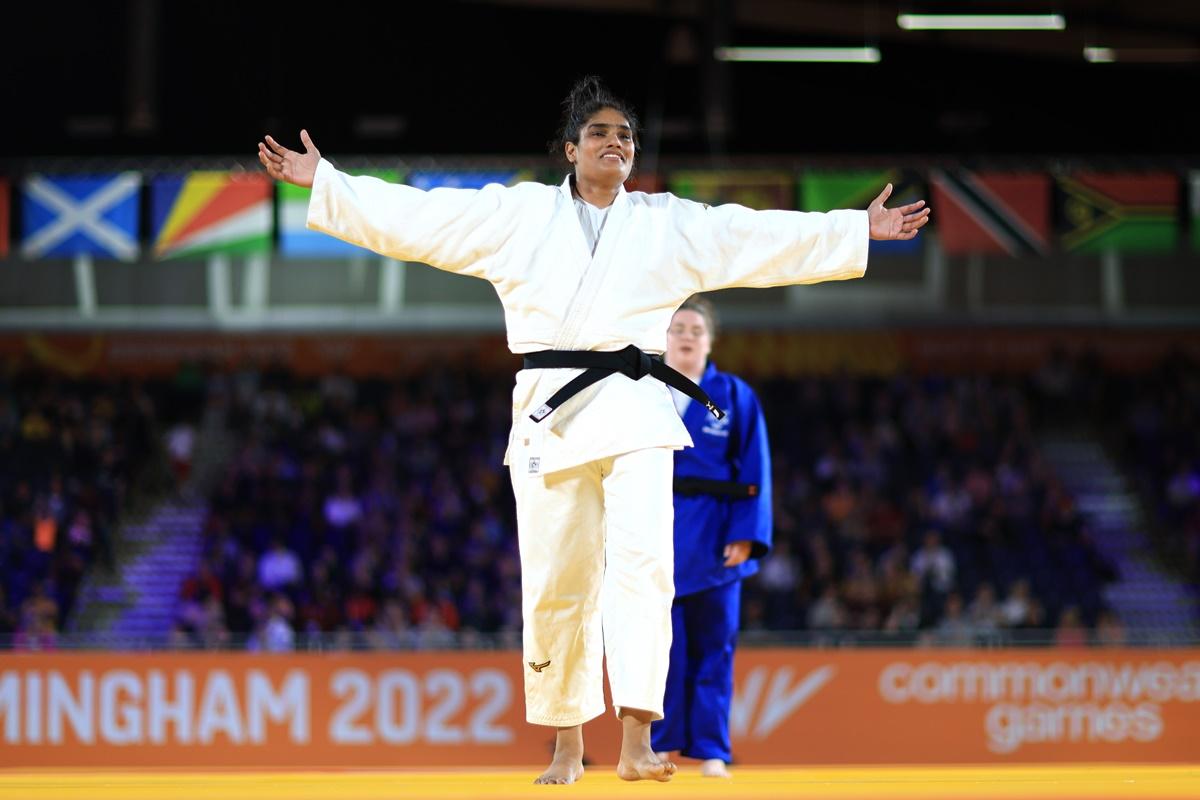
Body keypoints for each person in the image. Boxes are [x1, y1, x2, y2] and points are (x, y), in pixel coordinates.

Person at [257, 76, 929, 785]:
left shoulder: (664, 222)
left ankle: (640, 736)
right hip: (550, 409)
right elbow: (424, 220)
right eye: (602, 133)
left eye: (627, 136)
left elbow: (751, 236)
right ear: (570, 148)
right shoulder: (517, 216)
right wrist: (325, 184)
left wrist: (855, 228)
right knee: (558, 581)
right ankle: (567, 745)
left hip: (638, 410)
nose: (616, 143)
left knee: (645, 570)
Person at [650, 296, 771, 778]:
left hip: (720, 538)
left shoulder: (735, 395)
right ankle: (658, 746)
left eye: (696, 329)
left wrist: (747, 535)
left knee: (716, 648)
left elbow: (755, 468)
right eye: (677, 327)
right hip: (656, 535)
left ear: (710, 340)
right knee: (660, 653)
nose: (686, 335)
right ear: (662, 338)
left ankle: (713, 749)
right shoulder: (645, 391)